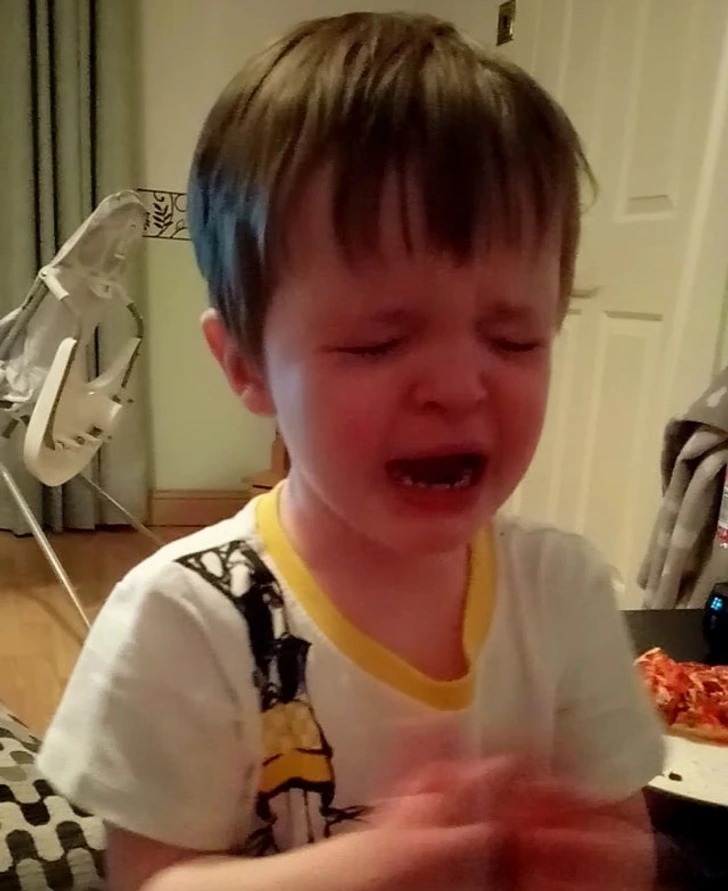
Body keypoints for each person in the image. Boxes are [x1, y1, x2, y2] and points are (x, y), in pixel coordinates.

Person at [37, 11, 664, 891]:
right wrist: (373, 864)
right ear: (247, 366)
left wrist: (579, 855)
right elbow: (153, 880)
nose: (459, 386)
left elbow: (625, 840)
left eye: (514, 338)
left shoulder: (564, 594)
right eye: (378, 343)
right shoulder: (182, 620)